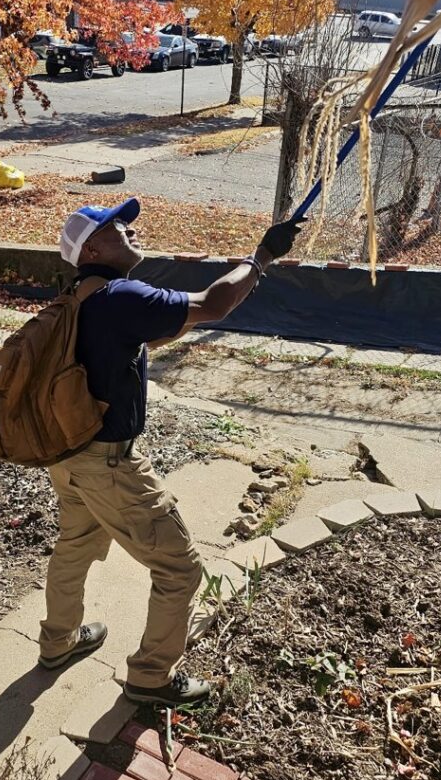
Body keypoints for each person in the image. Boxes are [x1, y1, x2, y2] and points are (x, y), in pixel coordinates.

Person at [37, 197, 305, 706]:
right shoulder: (120, 296)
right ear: (91, 246)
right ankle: (152, 677)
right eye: (118, 227)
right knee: (180, 570)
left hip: (65, 456)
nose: (131, 232)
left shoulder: (76, 295)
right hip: (107, 464)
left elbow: (150, 337)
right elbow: (213, 303)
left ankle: (59, 641)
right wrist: (261, 258)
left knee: (74, 546)